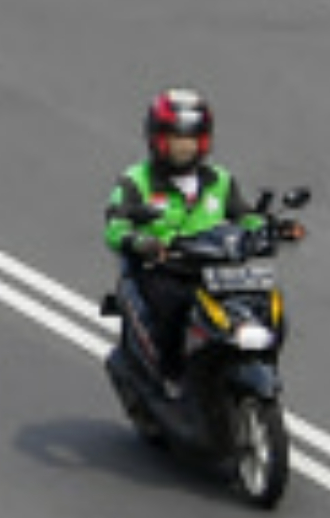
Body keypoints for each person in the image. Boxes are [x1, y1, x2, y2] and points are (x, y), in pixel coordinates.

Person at [106, 88, 305, 394]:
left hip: (217, 266)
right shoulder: (136, 180)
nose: (184, 149)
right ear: (157, 139)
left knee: (268, 303)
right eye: (176, 141)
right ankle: (169, 375)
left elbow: (244, 215)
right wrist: (139, 241)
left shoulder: (219, 179)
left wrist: (272, 227)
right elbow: (115, 226)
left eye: (190, 141)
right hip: (165, 267)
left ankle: (259, 360)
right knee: (173, 308)